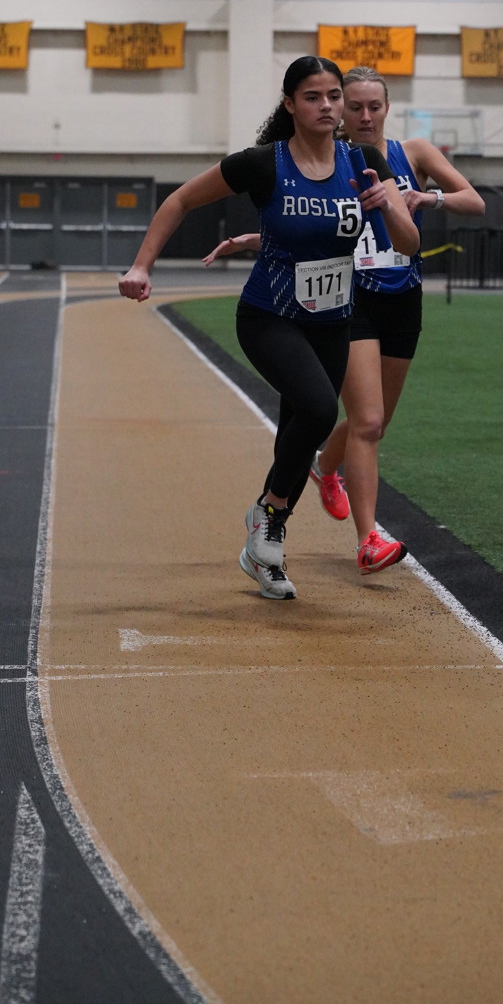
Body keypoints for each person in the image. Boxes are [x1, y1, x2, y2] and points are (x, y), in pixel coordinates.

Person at [119, 55, 421, 600]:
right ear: (290, 104)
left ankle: (265, 551)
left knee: (294, 437)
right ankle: (268, 513)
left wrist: (389, 205)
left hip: (333, 320)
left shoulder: (365, 161)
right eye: (313, 97)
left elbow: (408, 243)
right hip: (270, 317)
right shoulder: (264, 163)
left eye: (334, 96)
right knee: (320, 410)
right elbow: (180, 199)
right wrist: (142, 266)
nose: (327, 106)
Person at [206, 65, 485, 572]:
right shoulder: (334, 159)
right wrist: (256, 241)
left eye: (372, 106)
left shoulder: (411, 154)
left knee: (376, 423)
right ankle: (367, 538)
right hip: (351, 298)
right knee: (366, 420)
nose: (362, 115)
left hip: (404, 296)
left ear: (387, 108)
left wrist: (427, 197)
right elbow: (307, 226)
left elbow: (474, 201)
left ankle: (325, 463)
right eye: (352, 106)